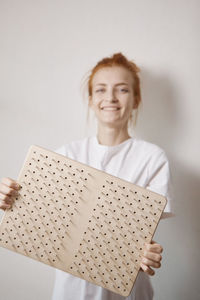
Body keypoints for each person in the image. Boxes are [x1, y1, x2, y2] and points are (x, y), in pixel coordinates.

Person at [0, 53, 173, 300]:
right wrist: (13, 200)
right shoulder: (66, 155)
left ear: (136, 100)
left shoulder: (152, 158)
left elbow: (141, 232)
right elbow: (43, 222)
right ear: (91, 100)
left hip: (129, 292)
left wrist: (147, 251)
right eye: (101, 90)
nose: (110, 98)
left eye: (122, 90)